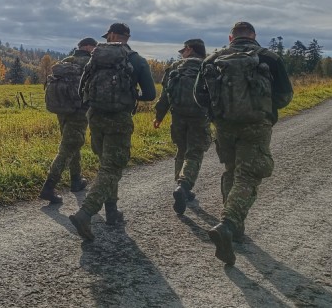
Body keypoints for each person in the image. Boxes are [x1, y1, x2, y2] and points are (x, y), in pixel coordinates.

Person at [195, 22, 292, 266]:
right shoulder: (269, 58)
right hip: (256, 125)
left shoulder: (212, 59)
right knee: (248, 175)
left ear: (231, 38)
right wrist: (263, 107)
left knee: (231, 170)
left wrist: (219, 112)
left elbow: (200, 96)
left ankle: (235, 229)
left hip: (224, 126)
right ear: (254, 36)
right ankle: (228, 225)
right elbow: (285, 96)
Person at [69, 23, 156, 240]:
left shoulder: (95, 58)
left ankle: (112, 211)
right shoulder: (136, 60)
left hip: (95, 117)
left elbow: (81, 90)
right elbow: (150, 94)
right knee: (112, 168)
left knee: (106, 165)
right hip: (119, 120)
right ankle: (85, 213)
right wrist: (131, 95)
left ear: (112, 35)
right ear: (127, 37)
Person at [153, 38, 212, 215]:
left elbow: (165, 95)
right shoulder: (209, 66)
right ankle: (184, 186)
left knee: (181, 150)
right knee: (195, 153)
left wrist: (159, 116)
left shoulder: (175, 67)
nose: (182, 54)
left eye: (183, 50)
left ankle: (182, 185)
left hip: (178, 116)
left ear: (190, 49)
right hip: (200, 117)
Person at [39, 37, 97, 203]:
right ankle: (49, 187)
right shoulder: (90, 63)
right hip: (79, 110)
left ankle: (76, 179)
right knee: (68, 147)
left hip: (62, 110)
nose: (95, 50)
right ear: (88, 47)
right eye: (94, 47)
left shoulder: (66, 60)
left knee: (72, 143)